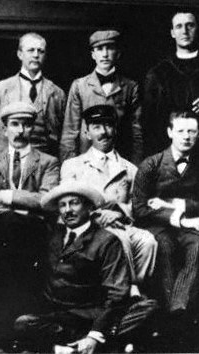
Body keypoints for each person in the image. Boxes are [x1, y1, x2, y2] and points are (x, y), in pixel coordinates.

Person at [13, 181, 157, 353]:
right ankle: (97, 345)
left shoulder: (107, 240)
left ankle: (67, 347)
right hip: (58, 315)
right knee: (23, 323)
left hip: (92, 313)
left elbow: (117, 292)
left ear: (89, 207)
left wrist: (94, 334)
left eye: (74, 203)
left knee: (149, 308)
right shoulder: (52, 236)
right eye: (62, 205)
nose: (68, 210)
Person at [132, 111, 199, 341]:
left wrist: (181, 204)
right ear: (170, 132)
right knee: (164, 247)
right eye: (181, 131)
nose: (186, 137)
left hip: (194, 228)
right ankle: (176, 317)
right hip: (159, 227)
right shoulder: (150, 164)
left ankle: (175, 312)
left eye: (192, 131)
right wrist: (180, 218)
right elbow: (140, 209)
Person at [0, 101, 60, 338]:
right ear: (4, 129)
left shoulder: (47, 162)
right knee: (7, 243)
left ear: (32, 129)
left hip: (35, 233)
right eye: (14, 124)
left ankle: (10, 325)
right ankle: (4, 324)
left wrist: (11, 196)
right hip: (1, 231)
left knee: (22, 250)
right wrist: (16, 216)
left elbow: (47, 200)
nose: (20, 130)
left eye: (26, 125)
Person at [61, 105, 157, 297]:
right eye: (97, 127)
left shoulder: (129, 169)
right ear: (87, 133)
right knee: (118, 239)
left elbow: (137, 204)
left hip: (120, 223)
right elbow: (68, 203)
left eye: (108, 126)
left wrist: (120, 212)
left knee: (148, 241)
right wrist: (96, 214)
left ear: (115, 130)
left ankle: (131, 285)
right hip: (88, 227)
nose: (104, 132)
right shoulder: (73, 166)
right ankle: (128, 292)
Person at [143, 11, 199, 158]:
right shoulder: (158, 73)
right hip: (170, 152)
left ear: (197, 29)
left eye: (190, 25)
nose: (184, 31)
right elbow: (150, 121)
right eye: (179, 26)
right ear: (172, 33)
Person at [60, 29, 143, 164]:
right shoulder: (79, 86)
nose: (105, 54)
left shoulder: (130, 87)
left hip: (120, 159)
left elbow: (136, 133)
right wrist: (70, 167)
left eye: (110, 48)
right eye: (99, 49)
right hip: (86, 160)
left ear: (118, 53)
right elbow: (70, 132)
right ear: (93, 54)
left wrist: (136, 167)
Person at [0, 32, 66, 158]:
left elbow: (64, 138)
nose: (36, 55)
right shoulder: (0, 89)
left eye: (40, 51)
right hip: (7, 164)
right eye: (31, 50)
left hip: (44, 167)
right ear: (20, 54)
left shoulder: (57, 93)